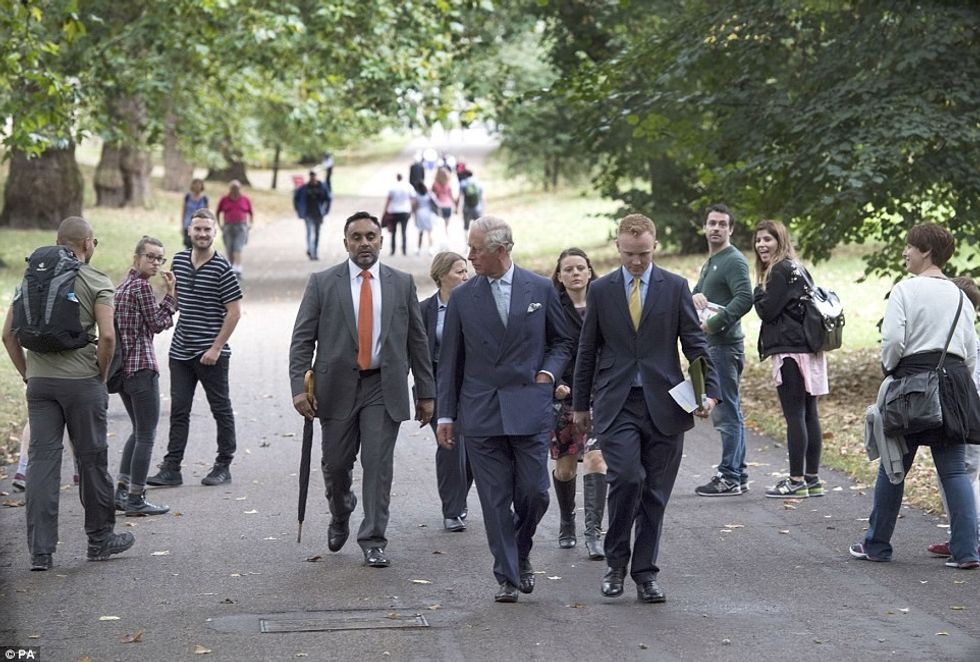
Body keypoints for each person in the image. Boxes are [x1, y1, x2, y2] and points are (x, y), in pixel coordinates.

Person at [573, 213, 718, 604]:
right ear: (618, 248)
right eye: (628, 254)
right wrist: (580, 405)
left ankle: (645, 573)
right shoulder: (601, 290)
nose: (636, 262)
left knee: (655, 493)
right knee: (628, 478)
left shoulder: (674, 288)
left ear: (654, 246)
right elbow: (587, 351)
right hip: (616, 403)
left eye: (643, 254)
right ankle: (615, 563)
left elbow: (695, 344)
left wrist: (710, 391)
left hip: (665, 404)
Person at [436, 216, 574, 603]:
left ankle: (520, 548)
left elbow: (563, 341)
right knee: (495, 499)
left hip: (529, 405)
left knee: (535, 493)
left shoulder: (541, 288)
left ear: (501, 249)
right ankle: (508, 576)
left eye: (476, 249)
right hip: (480, 411)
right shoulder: (463, 297)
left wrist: (548, 373)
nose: (469, 256)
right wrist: (445, 415)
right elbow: (450, 362)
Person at [289, 211, 435, 568]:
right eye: (357, 237)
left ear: (381, 241)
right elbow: (302, 339)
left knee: (377, 463)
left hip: (383, 387)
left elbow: (418, 339)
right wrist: (298, 388)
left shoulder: (401, 282)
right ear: (346, 243)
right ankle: (341, 511)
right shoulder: (323, 282)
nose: (364, 242)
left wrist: (426, 391)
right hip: (336, 387)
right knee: (337, 465)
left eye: (371, 236)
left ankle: (373, 538)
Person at [2, 216, 135, 570]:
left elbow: (7, 334)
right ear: (88, 243)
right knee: (91, 461)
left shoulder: (31, 278)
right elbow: (107, 336)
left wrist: (29, 375)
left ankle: (41, 553)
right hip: (82, 383)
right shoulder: (95, 279)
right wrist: (101, 375)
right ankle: (100, 540)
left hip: (41, 385)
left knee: (42, 466)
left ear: (59, 241)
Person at [850, 224, 980, 569]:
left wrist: (892, 370)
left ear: (926, 251)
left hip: (911, 383)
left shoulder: (905, 290)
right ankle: (966, 551)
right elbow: (969, 351)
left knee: (894, 468)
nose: (905, 252)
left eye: (909, 246)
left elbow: (893, 341)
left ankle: (877, 545)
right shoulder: (959, 295)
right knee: (953, 471)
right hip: (953, 384)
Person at [147, 209, 243, 488]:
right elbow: (178, 302)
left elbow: (234, 312)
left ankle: (223, 466)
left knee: (220, 409)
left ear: (215, 233)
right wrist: (170, 292)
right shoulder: (178, 260)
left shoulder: (222, 268)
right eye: (197, 229)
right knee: (179, 411)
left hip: (211, 354)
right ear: (189, 231)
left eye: (207, 230)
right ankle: (171, 468)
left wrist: (216, 348)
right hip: (180, 351)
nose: (202, 234)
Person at [752, 220, 828, 498]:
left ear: (780, 241)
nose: (761, 244)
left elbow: (767, 311)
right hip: (808, 348)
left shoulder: (779, 270)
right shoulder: (799, 268)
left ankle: (796, 481)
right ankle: (812, 479)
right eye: (758, 240)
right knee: (809, 413)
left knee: (795, 414)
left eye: (767, 239)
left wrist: (757, 291)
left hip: (790, 350)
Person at [112, 236, 177, 516]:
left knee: (138, 431)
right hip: (142, 368)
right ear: (136, 257)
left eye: (160, 259)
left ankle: (122, 491)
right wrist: (172, 294)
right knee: (147, 434)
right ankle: (136, 498)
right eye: (150, 257)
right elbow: (158, 323)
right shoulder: (140, 288)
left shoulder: (122, 287)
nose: (155, 263)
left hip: (123, 370)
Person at [692, 204, 754, 496]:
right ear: (705, 227)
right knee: (730, 409)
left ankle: (729, 476)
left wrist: (716, 323)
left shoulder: (734, 260)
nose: (715, 228)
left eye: (721, 224)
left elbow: (745, 298)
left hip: (725, 347)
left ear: (730, 229)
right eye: (711, 223)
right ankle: (737, 474)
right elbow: (694, 295)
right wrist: (697, 296)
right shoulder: (712, 260)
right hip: (714, 346)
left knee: (726, 412)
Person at [550, 248, 607, 559]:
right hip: (565, 397)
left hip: (601, 394)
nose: (575, 273)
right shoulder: (552, 308)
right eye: (568, 269)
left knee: (597, 459)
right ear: (559, 276)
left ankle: (593, 533)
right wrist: (553, 383)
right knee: (566, 469)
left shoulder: (604, 303)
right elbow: (543, 349)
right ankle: (567, 521)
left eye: (580, 268)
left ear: (589, 271)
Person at [928, 276, 980, 559]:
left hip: (967, 416)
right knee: (958, 476)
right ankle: (961, 536)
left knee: (964, 476)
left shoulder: (964, 344)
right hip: (965, 415)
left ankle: (970, 537)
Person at [420, 252, 473, 531]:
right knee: (450, 443)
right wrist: (420, 394)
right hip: (438, 385)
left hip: (472, 384)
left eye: (466, 272)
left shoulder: (475, 305)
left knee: (474, 447)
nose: (465, 277)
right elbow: (414, 354)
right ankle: (452, 510)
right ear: (441, 275)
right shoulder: (424, 310)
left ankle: (459, 499)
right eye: (459, 272)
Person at [215, 179, 253, 277]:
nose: (235, 190)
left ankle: (238, 268)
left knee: (237, 248)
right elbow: (218, 212)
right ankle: (231, 268)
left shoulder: (245, 199)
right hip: (228, 226)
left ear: (240, 189)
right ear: (230, 189)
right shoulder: (224, 199)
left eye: (237, 188)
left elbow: (251, 213)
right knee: (229, 248)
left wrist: (250, 224)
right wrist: (219, 225)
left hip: (241, 226)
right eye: (233, 188)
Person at [293, 170, 332, 261]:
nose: (313, 177)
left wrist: (326, 211)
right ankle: (311, 252)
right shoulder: (304, 188)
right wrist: (299, 210)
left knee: (317, 233)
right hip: (308, 214)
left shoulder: (322, 187)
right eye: (311, 175)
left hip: (318, 214)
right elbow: (296, 199)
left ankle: (314, 251)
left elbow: (328, 199)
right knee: (309, 233)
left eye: (314, 175)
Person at [383, 174, 414, 256]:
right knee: (404, 231)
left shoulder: (392, 187)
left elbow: (388, 200)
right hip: (405, 211)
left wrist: (385, 210)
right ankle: (404, 250)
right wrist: (412, 210)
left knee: (393, 232)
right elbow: (412, 198)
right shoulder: (408, 186)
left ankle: (393, 250)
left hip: (394, 211)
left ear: (397, 178)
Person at [180, 179, 208, 250]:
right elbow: (183, 212)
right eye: (195, 184)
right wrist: (182, 226)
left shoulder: (204, 199)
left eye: (199, 184)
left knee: (198, 245)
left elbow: (207, 214)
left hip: (200, 226)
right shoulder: (187, 197)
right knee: (188, 245)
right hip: (188, 224)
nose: (197, 186)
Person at [456, 169, 484, 239]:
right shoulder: (478, 183)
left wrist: (457, 208)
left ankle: (467, 243)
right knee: (478, 226)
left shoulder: (463, 183)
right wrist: (483, 208)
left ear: (465, 175)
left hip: (466, 208)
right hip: (477, 208)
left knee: (466, 227)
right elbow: (482, 197)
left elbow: (460, 197)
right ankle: (478, 241)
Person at [430, 167, 455, 233]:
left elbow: (431, 195)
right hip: (448, 205)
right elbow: (451, 195)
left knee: (439, 222)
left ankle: (441, 233)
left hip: (439, 205)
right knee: (447, 221)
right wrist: (455, 204)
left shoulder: (435, 184)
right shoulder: (448, 184)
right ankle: (446, 231)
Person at [413, 182, 435, 255]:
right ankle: (431, 248)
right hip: (428, 213)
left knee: (420, 233)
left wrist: (414, 216)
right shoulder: (429, 194)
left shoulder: (417, 195)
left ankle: (418, 248)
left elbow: (415, 206)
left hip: (420, 213)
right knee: (430, 232)